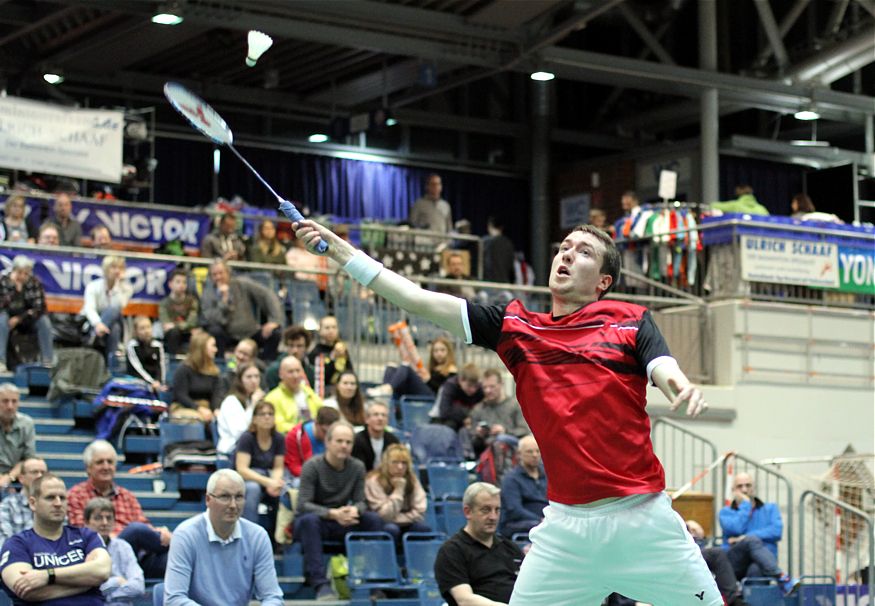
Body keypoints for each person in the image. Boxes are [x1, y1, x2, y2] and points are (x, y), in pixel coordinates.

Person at [291, 216, 719, 605]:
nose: (568, 255)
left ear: (603, 281)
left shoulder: (629, 321)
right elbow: (416, 299)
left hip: (641, 520)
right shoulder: (517, 329)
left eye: (584, 252)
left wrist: (677, 382)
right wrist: (341, 252)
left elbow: (661, 365)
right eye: (564, 247)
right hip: (566, 529)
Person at [164, 469, 283, 606]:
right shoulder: (185, 535)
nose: (233, 505)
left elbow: (273, 597)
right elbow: (174, 599)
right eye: (225, 497)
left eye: (239, 497)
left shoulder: (258, 537)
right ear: (208, 500)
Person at [293, 420, 383, 600]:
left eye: (348, 442)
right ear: (327, 442)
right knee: (309, 521)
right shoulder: (312, 466)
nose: (344, 446)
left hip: (344, 519)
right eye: (339, 441)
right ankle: (320, 584)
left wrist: (354, 510)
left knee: (373, 520)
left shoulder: (357, 466)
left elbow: (362, 501)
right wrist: (332, 514)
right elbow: (303, 504)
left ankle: (375, 582)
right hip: (319, 521)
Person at [66, 440, 172, 579]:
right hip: (102, 553)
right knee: (135, 530)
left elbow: (144, 525)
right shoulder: (76, 495)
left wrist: (159, 532)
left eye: (110, 462)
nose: (106, 467)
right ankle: (176, 543)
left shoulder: (126, 495)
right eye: (100, 462)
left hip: (134, 557)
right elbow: (81, 532)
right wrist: (118, 535)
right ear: (88, 468)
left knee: (173, 561)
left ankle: (177, 544)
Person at [0, 473, 110, 604]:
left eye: (62, 498)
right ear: (33, 503)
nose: (58, 503)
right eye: (50, 497)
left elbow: (102, 571)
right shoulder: (17, 544)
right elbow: (27, 590)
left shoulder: (87, 536)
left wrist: (48, 575)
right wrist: (87, 582)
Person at [434, 482, 523, 606]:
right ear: (467, 512)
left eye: (497, 510)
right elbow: (465, 600)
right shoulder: (452, 551)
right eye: (486, 510)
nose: (493, 517)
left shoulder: (510, 548)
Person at [719, 472, 798, 594]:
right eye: (740, 486)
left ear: (754, 487)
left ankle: (750, 599)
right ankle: (782, 577)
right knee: (751, 541)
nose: (744, 490)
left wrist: (745, 537)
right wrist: (745, 505)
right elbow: (736, 528)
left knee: (756, 568)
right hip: (735, 562)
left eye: (748, 485)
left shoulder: (770, 508)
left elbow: (776, 531)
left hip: (762, 562)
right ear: (733, 490)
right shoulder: (725, 512)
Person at [200, 259, 283, 360]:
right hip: (226, 336)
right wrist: (224, 302)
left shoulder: (242, 283)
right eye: (214, 274)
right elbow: (213, 319)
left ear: (228, 273)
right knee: (215, 331)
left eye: (221, 273)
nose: (218, 277)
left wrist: (274, 320)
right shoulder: (207, 294)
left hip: (250, 332)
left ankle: (264, 363)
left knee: (275, 333)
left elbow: (267, 295)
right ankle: (220, 363)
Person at [83, 497, 145, 606]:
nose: (104, 523)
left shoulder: (123, 547)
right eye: (98, 518)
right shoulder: (79, 549)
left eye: (109, 518)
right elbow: (84, 592)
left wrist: (107, 594)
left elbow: (139, 587)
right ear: (86, 522)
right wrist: (117, 582)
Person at [364, 443, 429, 543]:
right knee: (392, 529)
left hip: (405, 522)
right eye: (395, 462)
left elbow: (420, 512)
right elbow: (383, 515)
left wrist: (399, 519)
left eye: (404, 463)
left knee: (423, 529)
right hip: (380, 525)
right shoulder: (374, 480)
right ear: (386, 463)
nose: (400, 467)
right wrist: (398, 490)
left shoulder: (412, 480)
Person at [0, 256, 55, 372]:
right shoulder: (3, 280)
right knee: (1, 320)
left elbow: (39, 308)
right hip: (6, 317)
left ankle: (47, 362)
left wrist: (19, 318)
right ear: (14, 270)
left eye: (26, 273)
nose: (23, 276)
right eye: (20, 273)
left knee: (44, 321)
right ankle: (1, 361)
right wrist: (14, 289)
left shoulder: (34, 282)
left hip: (26, 319)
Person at [235, 401, 285, 525]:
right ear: (254, 419)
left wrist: (275, 483)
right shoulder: (247, 438)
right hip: (249, 479)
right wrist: (268, 482)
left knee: (286, 490)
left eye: (270, 414)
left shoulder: (279, 438)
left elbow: (278, 467)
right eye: (262, 414)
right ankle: (249, 532)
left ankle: (279, 534)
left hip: (269, 477)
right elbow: (242, 469)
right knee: (253, 489)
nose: (267, 417)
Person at [370, 334, 459, 401]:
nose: (439, 353)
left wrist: (429, 380)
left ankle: (388, 389)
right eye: (436, 351)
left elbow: (444, 391)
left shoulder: (452, 370)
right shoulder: (432, 367)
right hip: (422, 390)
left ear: (448, 352)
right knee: (391, 367)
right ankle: (385, 393)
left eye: (442, 350)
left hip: (433, 397)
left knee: (406, 366)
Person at [81, 255, 132, 365]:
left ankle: (94, 337)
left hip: (111, 323)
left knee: (115, 310)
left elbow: (120, 305)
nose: (117, 271)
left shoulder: (126, 288)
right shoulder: (93, 286)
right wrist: (98, 324)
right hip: (92, 323)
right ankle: (111, 366)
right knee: (115, 328)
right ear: (106, 269)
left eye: (120, 268)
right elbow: (89, 308)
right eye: (113, 267)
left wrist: (117, 285)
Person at [685, 519, 750, 606]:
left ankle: (732, 599)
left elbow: (700, 534)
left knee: (755, 569)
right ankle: (733, 600)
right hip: (685, 555)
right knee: (717, 553)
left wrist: (696, 532)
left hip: (696, 552)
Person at [469, 369, 528, 459]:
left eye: (492, 386)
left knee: (501, 439)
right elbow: (473, 441)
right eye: (484, 387)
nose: (488, 390)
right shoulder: (478, 409)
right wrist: (479, 435)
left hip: (511, 450)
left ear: (501, 384)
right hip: (485, 452)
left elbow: (524, 430)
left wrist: (505, 431)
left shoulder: (515, 405)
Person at [170, 332, 223, 423]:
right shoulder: (184, 369)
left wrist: (216, 409)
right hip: (184, 408)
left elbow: (216, 395)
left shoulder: (214, 372)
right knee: (196, 419)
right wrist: (198, 408)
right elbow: (181, 395)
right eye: (213, 346)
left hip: (207, 409)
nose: (216, 350)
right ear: (202, 348)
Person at [499, 435, 546, 537]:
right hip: (519, 524)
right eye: (529, 452)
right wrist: (540, 520)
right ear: (519, 454)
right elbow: (514, 510)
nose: (535, 455)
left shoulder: (547, 475)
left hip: (546, 522)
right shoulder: (511, 479)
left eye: (538, 451)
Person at [264, 355, 323, 434]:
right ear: (281, 374)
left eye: (298, 371)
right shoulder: (272, 398)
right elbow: (278, 426)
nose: (295, 375)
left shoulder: (309, 392)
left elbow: (322, 412)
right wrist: (304, 430)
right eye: (290, 372)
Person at [216, 362, 265, 456]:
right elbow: (240, 432)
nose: (254, 381)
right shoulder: (231, 402)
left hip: (252, 449)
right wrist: (253, 405)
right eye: (249, 377)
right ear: (240, 380)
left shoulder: (251, 400)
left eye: (256, 376)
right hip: (231, 451)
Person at [284, 406, 340, 486]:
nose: (328, 436)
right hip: (302, 477)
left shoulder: (339, 437)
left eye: (331, 432)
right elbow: (294, 466)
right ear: (316, 423)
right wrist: (317, 476)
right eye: (325, 431)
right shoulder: (295, 436)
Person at [0, 457, 47, 546]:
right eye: (34, 472)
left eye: (43, 473)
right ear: (21, 478)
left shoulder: (56, 504)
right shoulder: (7, 506)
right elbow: (5, 545)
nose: (39, 476)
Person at [0, 383, 36, 492]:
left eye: (14, 401)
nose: (10, 406)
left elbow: (28, 458)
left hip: (18, 476)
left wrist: (9, 478)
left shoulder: (27, 423)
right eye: (5, 401)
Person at [306, 315, 353, 395]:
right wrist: (332, 358)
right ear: (320, 331)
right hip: (324, 392)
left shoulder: (342, 348)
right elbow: (319, 381)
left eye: (334, 327)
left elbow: (350, 371)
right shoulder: (316, 353)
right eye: (327, 328)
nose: (331, 331)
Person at [158, 268, 199, 356]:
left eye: (184, 282)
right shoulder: (164, 303)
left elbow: (192, 323)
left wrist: (175, 325)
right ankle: (173, 360)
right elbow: (165, 324)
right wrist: (183, 326)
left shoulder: (192, 301)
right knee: (173, 332)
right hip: (172, 335)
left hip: (187, 334)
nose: (181, 285)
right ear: (170, 284)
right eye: (178, 282)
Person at [351, 400, 400, 471]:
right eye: (376, 415)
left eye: (384, 415)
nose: (380, 418)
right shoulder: (357, 440)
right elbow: (358, 469)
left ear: (388, 420)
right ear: (367, 419)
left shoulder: (393, 441)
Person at [433, 363, 483, 431]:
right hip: (442, 420)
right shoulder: (450, 386)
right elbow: (444, 412)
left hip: (468, 422)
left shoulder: (480, 389)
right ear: (461, 380)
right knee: (450, 424)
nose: (473, 390)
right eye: (469, 385)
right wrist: (467, 416)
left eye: (476, 386)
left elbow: (482, 411)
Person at [264, 325, 315, 390]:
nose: (295, 350)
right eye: (291, 345)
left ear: (306, 347)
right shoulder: (274, 370)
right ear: (286, 346)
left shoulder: (311, 371)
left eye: (299, 346)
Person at [124, 316, 166, 393]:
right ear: (136, 331)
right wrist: (151, 382)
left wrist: (158, 381)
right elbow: (137, 368)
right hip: (136, 381)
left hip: (155, 384)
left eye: (148, 327)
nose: (146, 331)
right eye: (142, 328)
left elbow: (161, 366)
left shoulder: (158, 345)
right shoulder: (132, 345)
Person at [482, 216, 516, 284]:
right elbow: (511, 267)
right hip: (504, 283)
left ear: (489, 226)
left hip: (488, 283)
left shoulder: (484, 242)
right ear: (501, 227)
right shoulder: (508, 243)